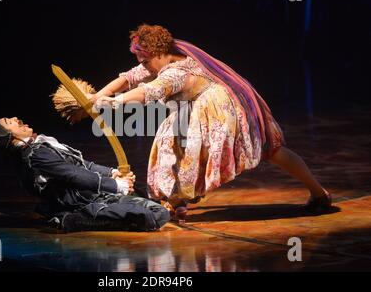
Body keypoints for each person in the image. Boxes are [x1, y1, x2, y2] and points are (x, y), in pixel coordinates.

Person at [91, 24, 332, 218]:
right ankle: (177, 200)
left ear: (157, 53)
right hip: (207, 106)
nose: (141, 65)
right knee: (171, 142)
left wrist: (115, 103)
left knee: (264, 149)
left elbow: (147, 92)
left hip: (218, 109)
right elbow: (129, 79)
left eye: (144, 60)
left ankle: (176, 200)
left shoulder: (177, 71)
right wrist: (97, 96)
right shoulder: (168, 56)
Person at [0, 116, 170, 232]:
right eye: (9, 122)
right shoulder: (34, 154)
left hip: (92, 194)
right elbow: (73, 174)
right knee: (157, 214)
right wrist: (116, 185)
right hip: (83, 202)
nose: (16, 119)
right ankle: (75, 220)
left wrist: (111, 173)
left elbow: (81, 164)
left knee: (140, 195)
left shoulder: (39, 145)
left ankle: (113, 215)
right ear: (9, 136)